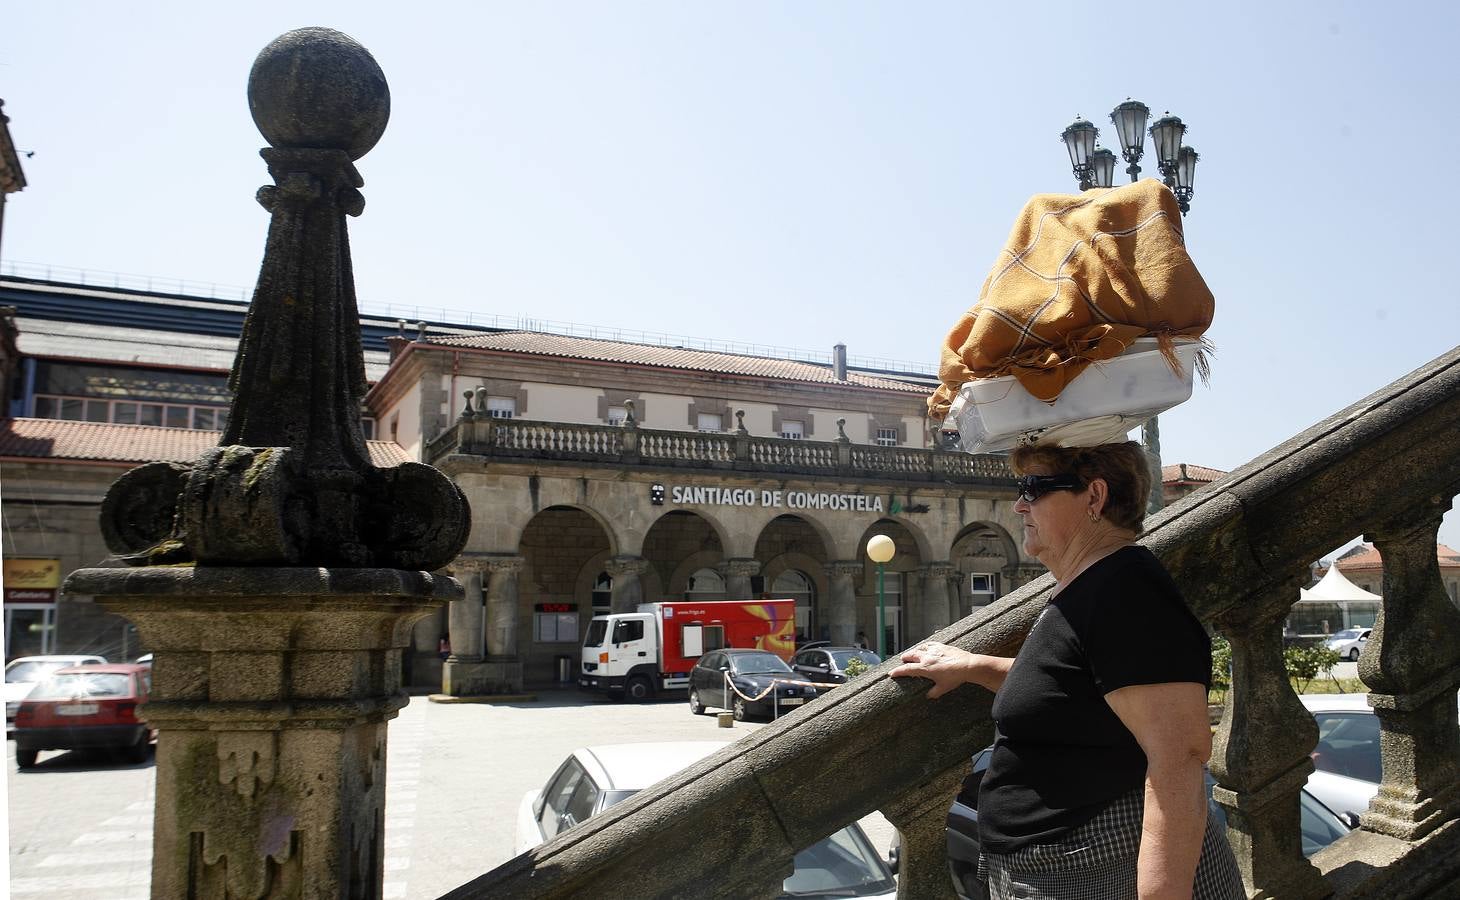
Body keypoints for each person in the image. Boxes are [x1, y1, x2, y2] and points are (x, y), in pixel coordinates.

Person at [891, 441, 1241, 899]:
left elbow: (1179, 757)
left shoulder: (1126, 592)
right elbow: (1075, 687)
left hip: (1102, 865)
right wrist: (975, 666)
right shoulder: (1090, 585)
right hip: (1070, 864)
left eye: (1034, 488)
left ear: (1094, 496)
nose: (1019, 505)